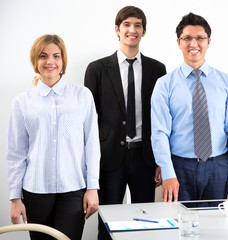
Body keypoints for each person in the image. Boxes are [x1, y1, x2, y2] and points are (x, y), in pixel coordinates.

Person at [6, 34, 100, 240]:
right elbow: (16, 153)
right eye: (43, 56)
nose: (50, 61)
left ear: (63, 61)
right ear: (35, 61)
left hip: (73, 188)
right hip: (35, 190)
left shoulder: (82, 96)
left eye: (56, 56)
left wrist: (93, 187)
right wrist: (15, 198)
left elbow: (92, 145)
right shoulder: (22, 102)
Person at [84, 6, 166, 240]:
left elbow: (161, 119)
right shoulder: (97, 69)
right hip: (109, 159)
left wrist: (160, 160)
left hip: (145, 158)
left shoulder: (157, 69)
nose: (132, 29)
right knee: (108, 224)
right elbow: (89, 122)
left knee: (146, 222)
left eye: (138, 25)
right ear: (117, 29)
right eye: (127, 24)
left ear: (144, 31)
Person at [151, 12, 228, 203]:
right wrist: (168, 172)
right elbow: (160, 133)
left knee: (215, 228)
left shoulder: (226, 83)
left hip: (218, 168)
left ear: (209, 41)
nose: (193, 44)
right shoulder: (164, 84)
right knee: (179, 228)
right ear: (178, 42)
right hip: (179, 168)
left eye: (200, 38)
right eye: (187, 38)